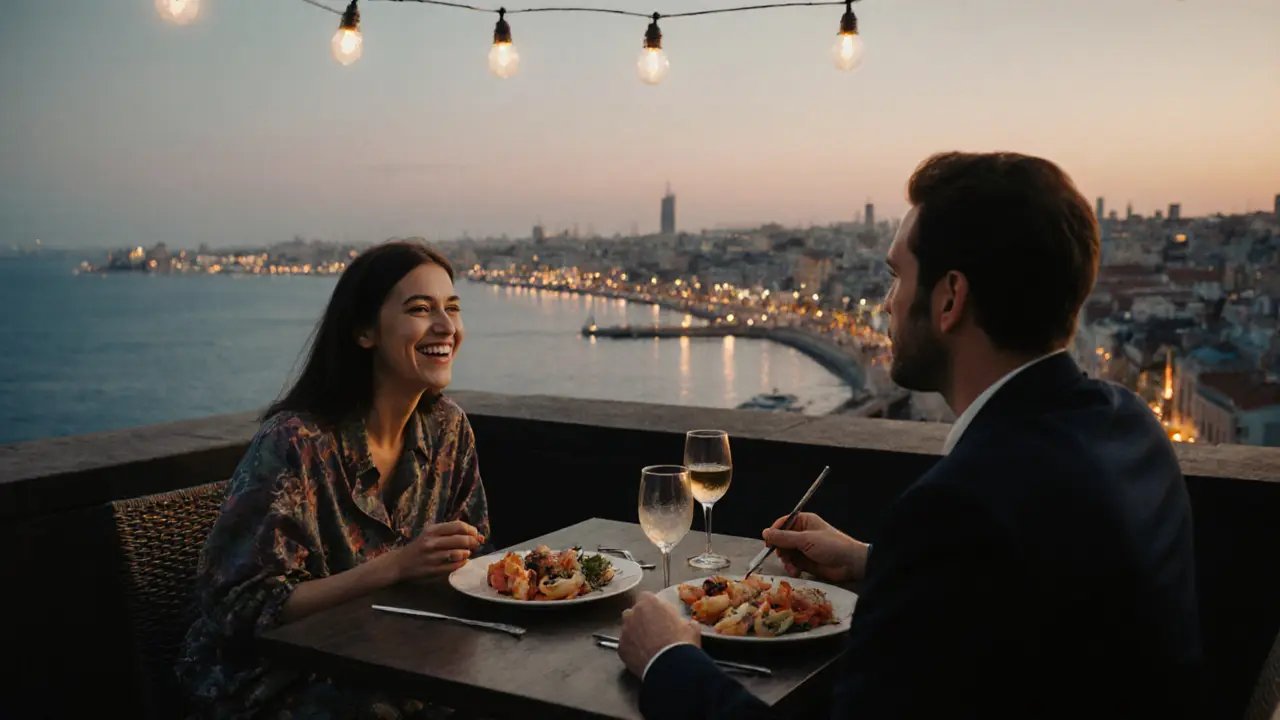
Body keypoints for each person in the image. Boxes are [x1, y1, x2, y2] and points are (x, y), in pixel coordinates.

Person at [618, 151, 1203, 719]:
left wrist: (669, 660)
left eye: (897, 276)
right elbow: (1042, 600)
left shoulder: (955, 508)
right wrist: (876, 563)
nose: (887, 304)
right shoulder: (1131, 426)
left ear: (950, 298)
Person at [177, 241, 491, 719]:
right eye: (420, 309)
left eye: (452, 308)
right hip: (270, 680)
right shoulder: (296, 442)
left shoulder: (449, 431)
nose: (447, 327)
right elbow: (240, 606)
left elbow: (473, 560)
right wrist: (397, 566)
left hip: (389, 658)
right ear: (364, 331)